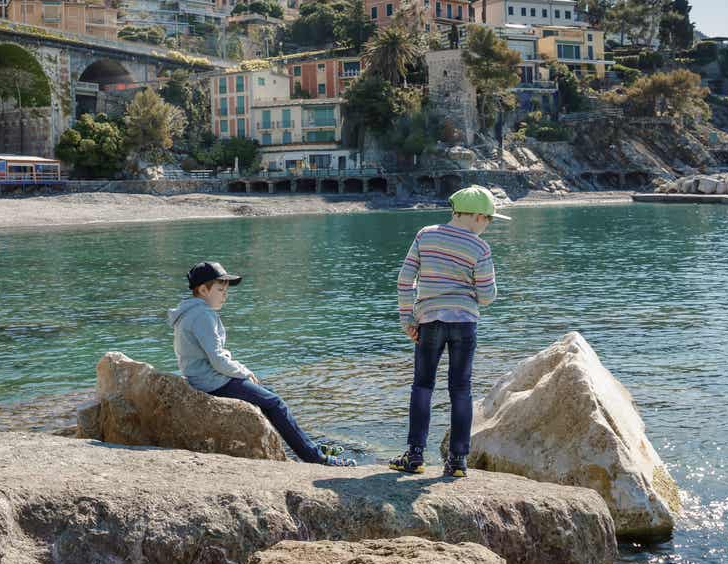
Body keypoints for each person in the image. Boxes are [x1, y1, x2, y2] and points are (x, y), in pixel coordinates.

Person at [169, 260, 356, 467]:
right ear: (203, 289)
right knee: (276, 403)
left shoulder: (188, 312)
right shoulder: (203, 315)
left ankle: (307, 445)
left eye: (226, 290)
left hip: (202, 377)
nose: (225, 295)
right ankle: (314, 457)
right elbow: (218, 359)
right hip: (212, 381)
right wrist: (244, 372)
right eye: (220, 289)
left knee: (268, 394)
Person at [389, 186, 508, 478]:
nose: (489, 226)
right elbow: (487, 296)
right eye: (490, 220)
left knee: (422, 386)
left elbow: (405, 280)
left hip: (428, 321)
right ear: (478, 217)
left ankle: (415, 456)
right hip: (464, 323)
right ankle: (457, 462)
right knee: (461, 389)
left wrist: (408, 319)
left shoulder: (425, 235)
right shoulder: (479, 248)